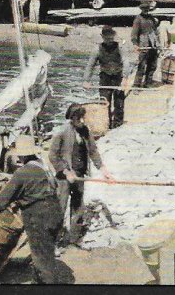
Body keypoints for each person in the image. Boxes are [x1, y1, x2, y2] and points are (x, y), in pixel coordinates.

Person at [0, 135, 63, 284]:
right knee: (46, 253)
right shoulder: (43, 166)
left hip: (39, 218)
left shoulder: (22, 172)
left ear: (20, 155)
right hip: (55, 212)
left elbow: (4, 199)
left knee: (41, 259)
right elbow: (48, 188)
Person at [49, 105, 114, 247]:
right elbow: (53, 156)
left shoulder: (85, 131)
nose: (82, 121)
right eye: (79, 119)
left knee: (78, 206)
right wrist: (66, 171)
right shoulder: (62, 132)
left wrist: (103, 169)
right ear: (72, 119)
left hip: (79, 175)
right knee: (61, 206)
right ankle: (55, 240)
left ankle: (74, 238)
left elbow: (93, 150)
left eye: (83, 118)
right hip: (64, 176)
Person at [82, 25, 129, 128]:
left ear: (114, 36)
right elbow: (90, 65)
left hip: (118, 77)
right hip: (105, 78)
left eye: (111, 38)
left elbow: (126, 62)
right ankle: (106, 124)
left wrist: (125, 79)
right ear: (102, 37)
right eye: (107, 39)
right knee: (104, 103)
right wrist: (86, 80)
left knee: (119, 103)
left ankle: (118, 125)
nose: (109, 41)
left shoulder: (120, 47)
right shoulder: (97, 49)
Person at [131, 2, 161, 88]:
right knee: (141, 66)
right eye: (144, 9)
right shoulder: (138, 19)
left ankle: (148, 82)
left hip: (153, 44)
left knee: (152, 65)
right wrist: (135, 44)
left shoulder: (151, 18)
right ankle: (136, 85)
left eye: (147, 9)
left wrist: (158, 43)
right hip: (143, 44)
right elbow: (134, 33)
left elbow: (155, 31)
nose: (146, 11)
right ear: (141, 9)